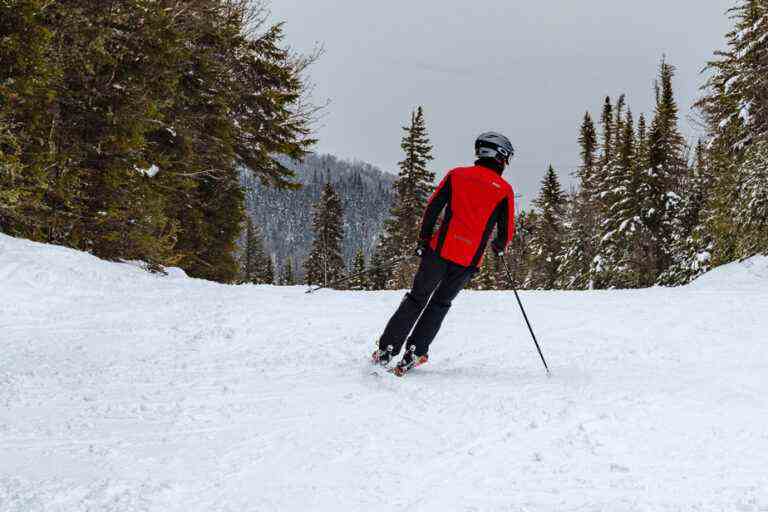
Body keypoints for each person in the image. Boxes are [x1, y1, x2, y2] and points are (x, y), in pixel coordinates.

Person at [372, 132, 516, 376]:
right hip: (468, 260)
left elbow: (433, 208)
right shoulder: (504, 190)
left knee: (417, 298)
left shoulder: (457, 175)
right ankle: (416, 352)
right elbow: (506, 231)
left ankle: (387, 349)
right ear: (500, 156)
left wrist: (423, 239)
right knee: (439, 304)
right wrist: (499, 247)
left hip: (438, 252)